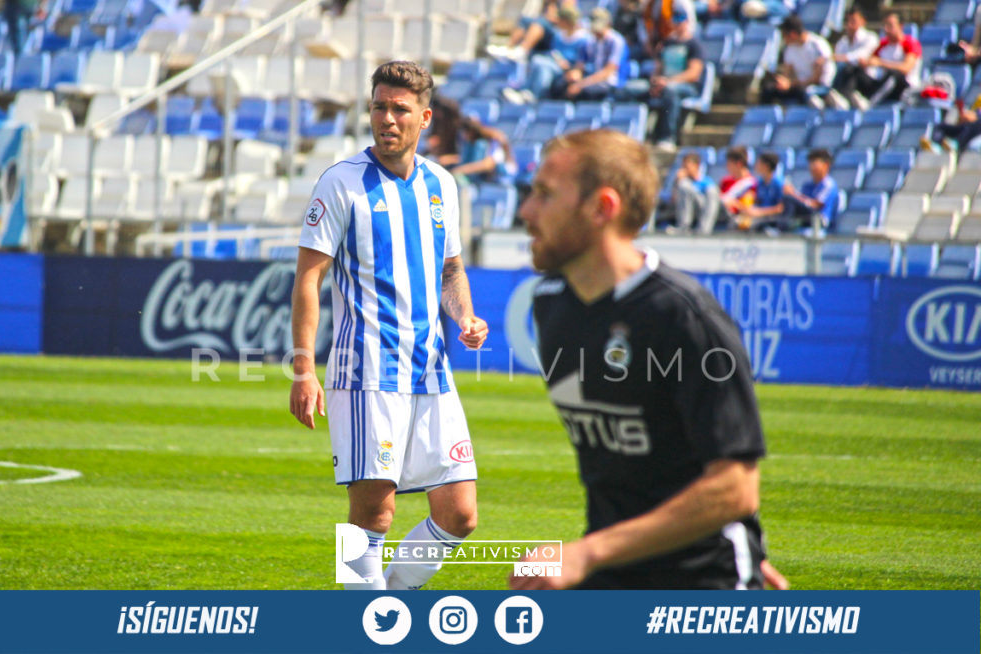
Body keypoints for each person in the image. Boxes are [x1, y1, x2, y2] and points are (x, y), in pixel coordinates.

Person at [510, 129, 777, 590]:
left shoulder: (685, 317)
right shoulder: (551, 303)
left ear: (602, 208)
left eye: (544, 195)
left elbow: (735, 487)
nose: (525, 212)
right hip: (614, 570)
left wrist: (588, 552)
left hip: (703, 582)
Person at [290, 61, 489, 591]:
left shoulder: (442, 185)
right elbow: (309, 279)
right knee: (373, 517)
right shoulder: (342, 182)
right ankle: (367, 623)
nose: (388, 118)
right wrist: (304, 369)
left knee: (460, 513)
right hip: (367, 374)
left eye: (400, 109)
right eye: (379, 106)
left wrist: (463, 315)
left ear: (424, 117)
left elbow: (450, 270)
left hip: (432, 372)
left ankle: (393, 602)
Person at [639, 10, 705, 150]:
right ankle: (638, 136)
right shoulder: (667, 43)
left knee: (671, 91)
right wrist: (655, 82)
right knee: (632, 89)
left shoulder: (694, 45)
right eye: (676, 21)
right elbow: (658, 68)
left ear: (687, 22)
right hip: (664, 84)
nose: (678, 24)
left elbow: (694, 73)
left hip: (687, 87)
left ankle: (668, 138)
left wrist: (668, 82)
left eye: (681, 21)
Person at [838, 12, 921, 110]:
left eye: (890, 25)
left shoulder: (910, 43)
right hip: (883, 86)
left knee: (894, 75)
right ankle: (845, 100)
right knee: (853, 70)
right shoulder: (883, 45)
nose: (886, 29)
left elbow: (906, 68)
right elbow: (871, 60)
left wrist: (881, 63)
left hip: (904, 88)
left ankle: (869, 103)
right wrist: (865, 63)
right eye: (885, 25)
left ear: (900, 26)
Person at [506, 5, 590, 102]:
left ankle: (535, 94)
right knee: (538, 60)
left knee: (542, 64)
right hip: (557, 64)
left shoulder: (584, 39)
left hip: (571, 69)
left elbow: (583, 61)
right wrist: (558, 59)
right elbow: (554, 51)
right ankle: (526, 92)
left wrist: (572, 68)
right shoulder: (559, 35)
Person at [549, 8, 628, 101]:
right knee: (562, 85)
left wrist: (581, 84)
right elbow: (580, 66)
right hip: (591, 80)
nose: (597, 32)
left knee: (580, 89)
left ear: (608, 24)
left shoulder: (616, 41)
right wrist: (574, 74)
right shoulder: (589, 41)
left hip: (612, 82)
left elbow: (608, 72)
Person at [759, 15, 835, 108]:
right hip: (797, 86)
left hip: (817, 87)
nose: (783, 39)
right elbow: (788, 73)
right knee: (768, 90)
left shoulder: (817, 45)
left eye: (784, 35)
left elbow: (816, 79)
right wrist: (783, 81)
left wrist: (791, 84)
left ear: (793, 34)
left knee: (804, 93)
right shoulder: (789, 49)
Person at [828, 7, 880, 109]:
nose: (850, 25)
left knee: (851, 69)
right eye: (847, 21)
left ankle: (844, 98)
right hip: (847, 79)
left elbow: (859, 56)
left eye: (853, 21)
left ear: (863, 21)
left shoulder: (870, 37)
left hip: (867, 81)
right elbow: (838, 62)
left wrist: (841, 58)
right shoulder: (842, 43)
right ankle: (840, 97)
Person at [783, 148, 839, 233]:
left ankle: (783, 229)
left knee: (790, 199)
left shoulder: (828, 185)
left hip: (821, 221)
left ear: (826, 165)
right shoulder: (807, 185)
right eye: (810, 163)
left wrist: (793, 194)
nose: (811, 167)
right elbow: (802, 203)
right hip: (806, 219)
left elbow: (816, 205)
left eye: (815, 163)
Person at [672, 151, 720, 233]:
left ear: (696, 165)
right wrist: (677, 182)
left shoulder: (706, 181)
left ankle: (704, 230)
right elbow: (674, 199)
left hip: (703, 208)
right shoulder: (683, 182)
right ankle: (684, 226)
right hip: (687, 208)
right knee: (684, 185)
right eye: (683, 167)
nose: (684, 170)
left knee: (712, 192)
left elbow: (711, 201)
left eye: (687, 167)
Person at [719, 146, 757, 219]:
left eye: (729, 164)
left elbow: (747, 209)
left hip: (734, 217)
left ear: (739, 164)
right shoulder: (726, 181)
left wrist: (733, 203)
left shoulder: (751, 184)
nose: (727, 167)